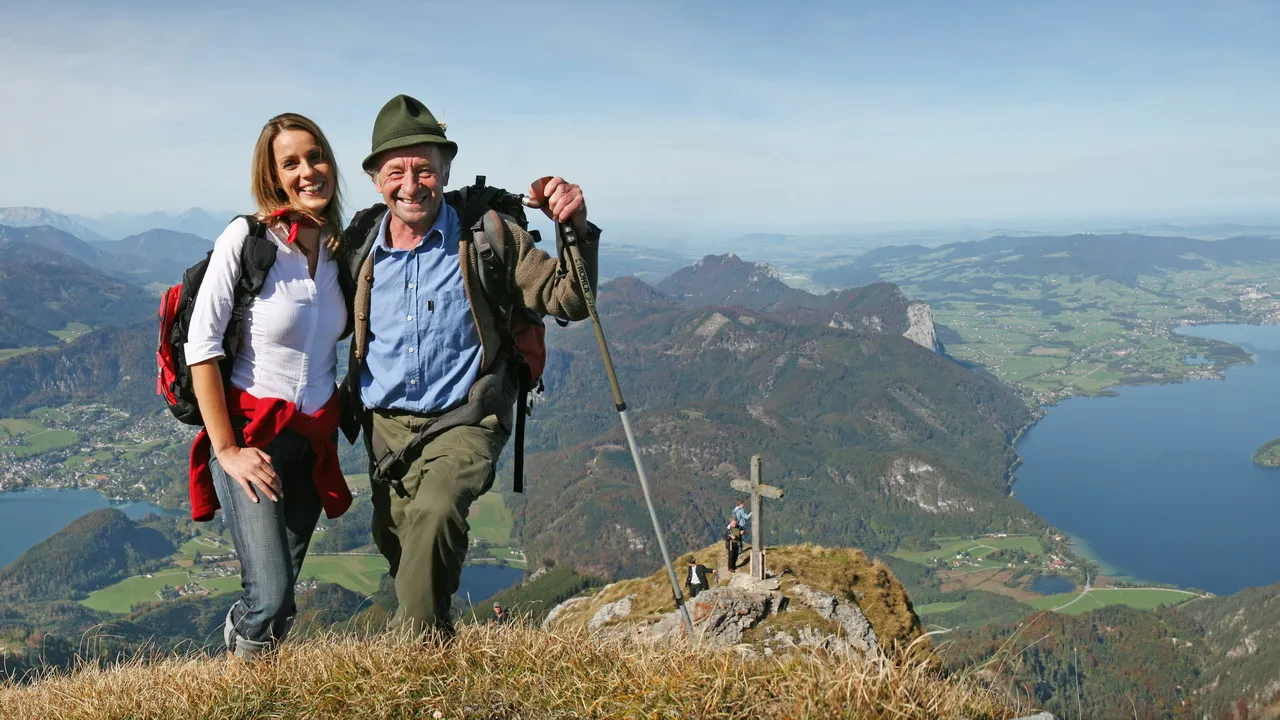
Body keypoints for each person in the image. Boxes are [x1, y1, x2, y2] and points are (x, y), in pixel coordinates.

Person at [338, 94, 600, 636]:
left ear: (446, 169)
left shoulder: (487, 237)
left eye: (425, 169)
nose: (411, 185)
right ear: (374, 179)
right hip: (384, 430)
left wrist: (572, 226)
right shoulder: (360, 250)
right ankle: (439, 641)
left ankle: (418, 669)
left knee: (434, 517)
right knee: (403, 546)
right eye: (396, 172)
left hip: (466, 416)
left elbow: (570, 299)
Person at [185, 113, 353, 660]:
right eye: (291, 162)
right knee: (270, 595)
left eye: (316, 155)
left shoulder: (337, 250)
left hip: (311, 441)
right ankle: (240, 687)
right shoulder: (248, 239)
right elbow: (201, 347)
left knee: (282, 601)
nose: (308, 170)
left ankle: (258, 680)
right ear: (273, 176)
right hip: (254, 438)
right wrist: (227, 449)